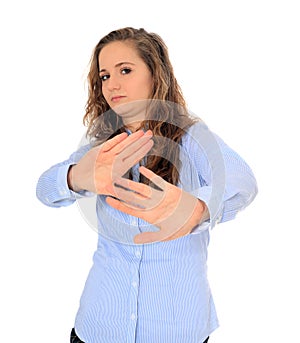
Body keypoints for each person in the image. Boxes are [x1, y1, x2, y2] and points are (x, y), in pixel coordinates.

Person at [36, 27, 258, 343]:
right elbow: (44, 189)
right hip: (99, 327)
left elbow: (241, 180)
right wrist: (76, 177)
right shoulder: (101, 146)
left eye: (125, 70)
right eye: (104, 76)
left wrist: (195, 209)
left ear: (155, 73)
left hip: (176, 330)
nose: (112, 84)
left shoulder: (192, 137)